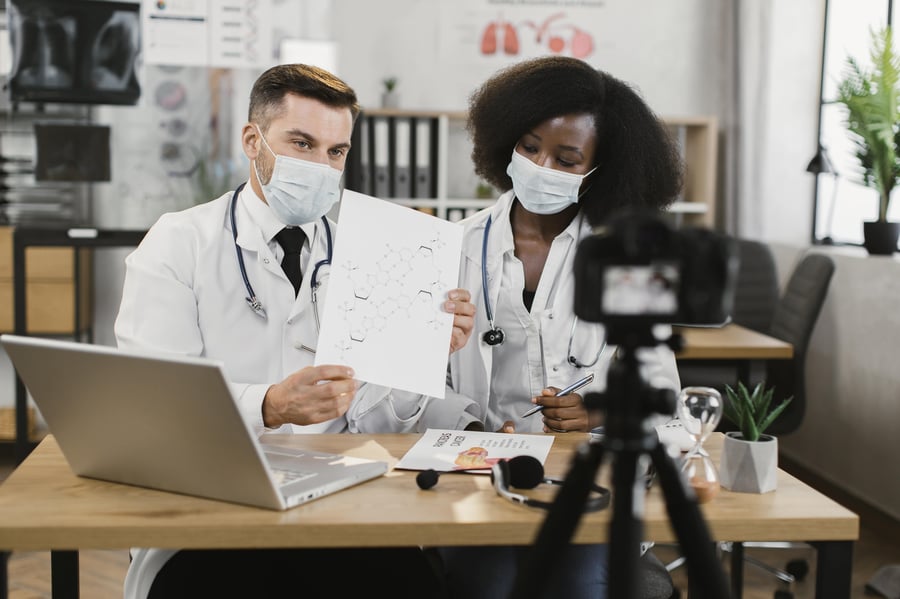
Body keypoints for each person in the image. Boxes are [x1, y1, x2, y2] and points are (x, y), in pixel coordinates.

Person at [114, 63, 476, 599]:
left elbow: (378, 418)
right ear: (252, 140)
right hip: (218, 508)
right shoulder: (179, 242)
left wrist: (420, 350)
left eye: (336, 152)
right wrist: (269, 405)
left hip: (343, 504)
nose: (321, 167)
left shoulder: (376, 251)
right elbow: (158, 399)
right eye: (302, 143)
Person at [432, 56, 684, 599]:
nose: (540, 165)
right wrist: (469, 430)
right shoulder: (449, 247)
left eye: (567, 160)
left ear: (599, 172)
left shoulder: (629, 263)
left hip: (586, 484)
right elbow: (411, 390)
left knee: (577, 585)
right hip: (481, 478)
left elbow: (666, 403)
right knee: (485, 582)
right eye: (529, 147)